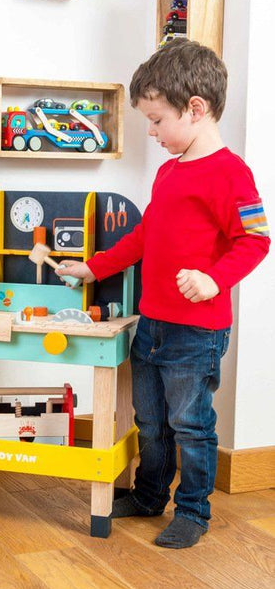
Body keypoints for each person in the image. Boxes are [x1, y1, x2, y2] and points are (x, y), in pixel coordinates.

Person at [58, 38, 270, 548]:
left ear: (195, 109)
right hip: (151, 323)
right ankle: (149, 495)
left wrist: (214, 278)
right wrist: (93, 267)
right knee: (151, 422)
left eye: (156, 120)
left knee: (191, 425)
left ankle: (193, 511)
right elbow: (143, 237)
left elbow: (256, 240)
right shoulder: (168, 172)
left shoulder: (231, 173)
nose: (151, 132)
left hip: (196, 333)